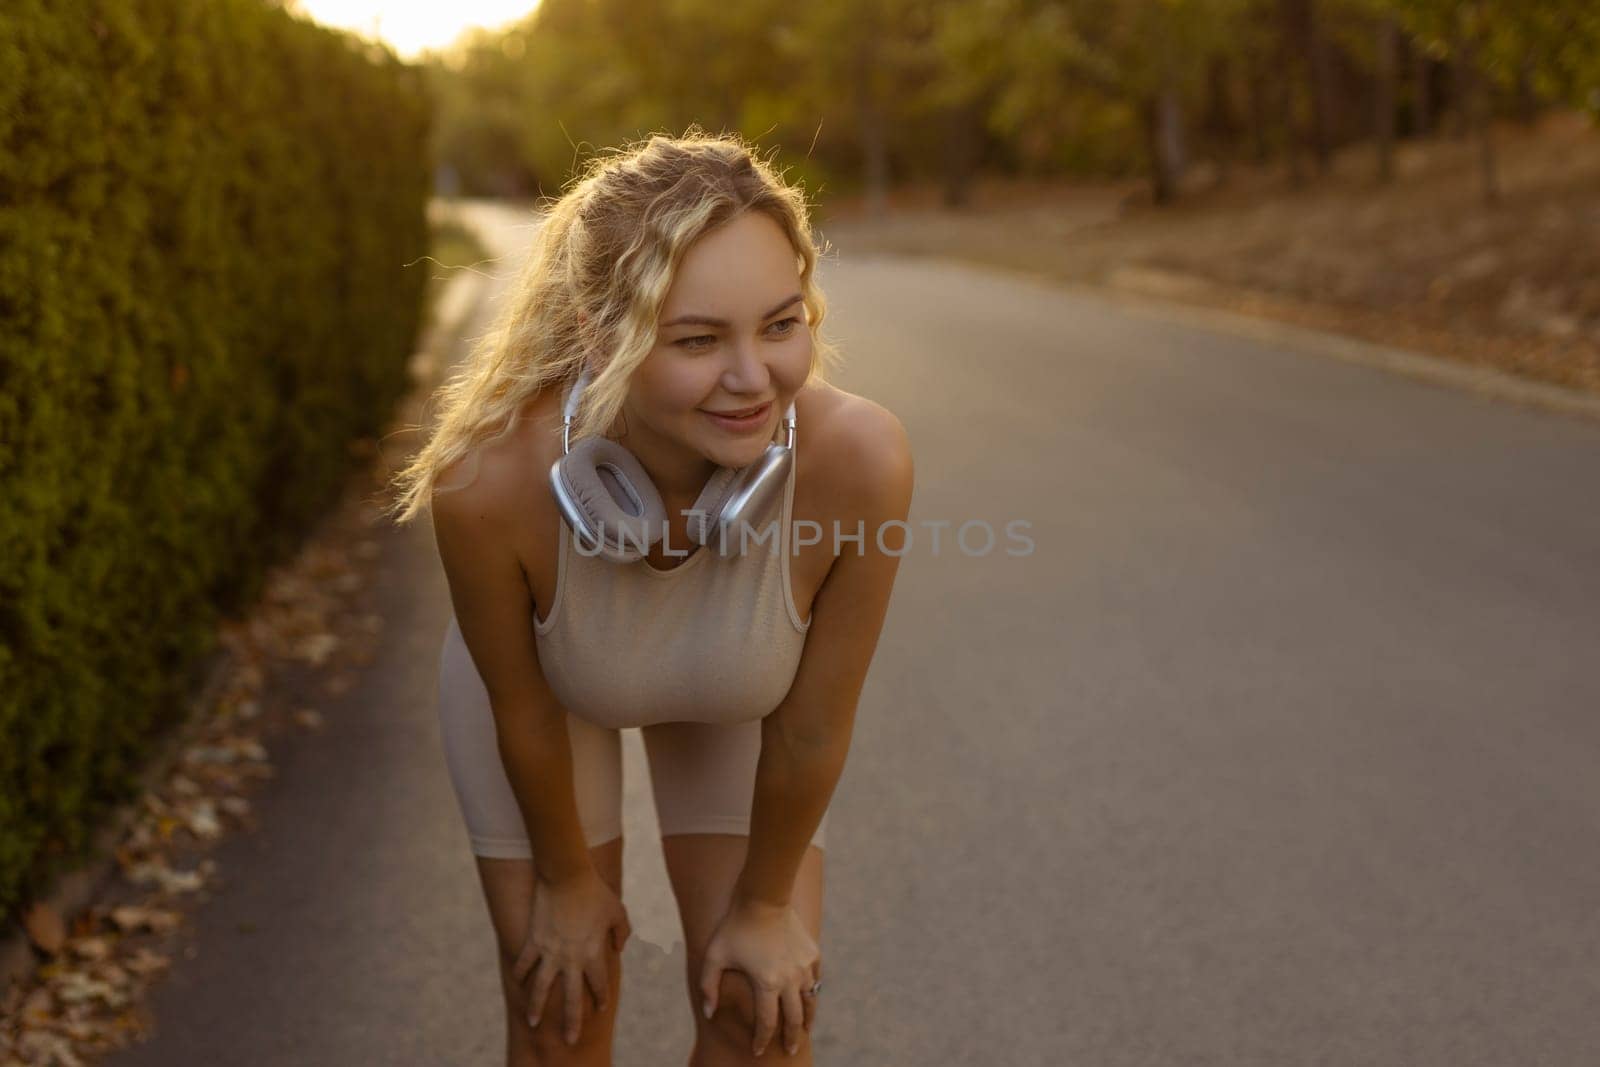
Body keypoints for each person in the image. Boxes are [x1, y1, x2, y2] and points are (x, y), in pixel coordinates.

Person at [388, 130, 913, 1067]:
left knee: (763, 1016)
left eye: (781, 324)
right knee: (562, 1010)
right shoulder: (491, 485)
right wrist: (565, 879)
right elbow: (523, 711)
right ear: (602, 332)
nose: (754, 379)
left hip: (739, 698)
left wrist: (763, 908)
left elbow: (810, 731)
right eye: (699, 340)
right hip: (549, 700)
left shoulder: (861, 463)